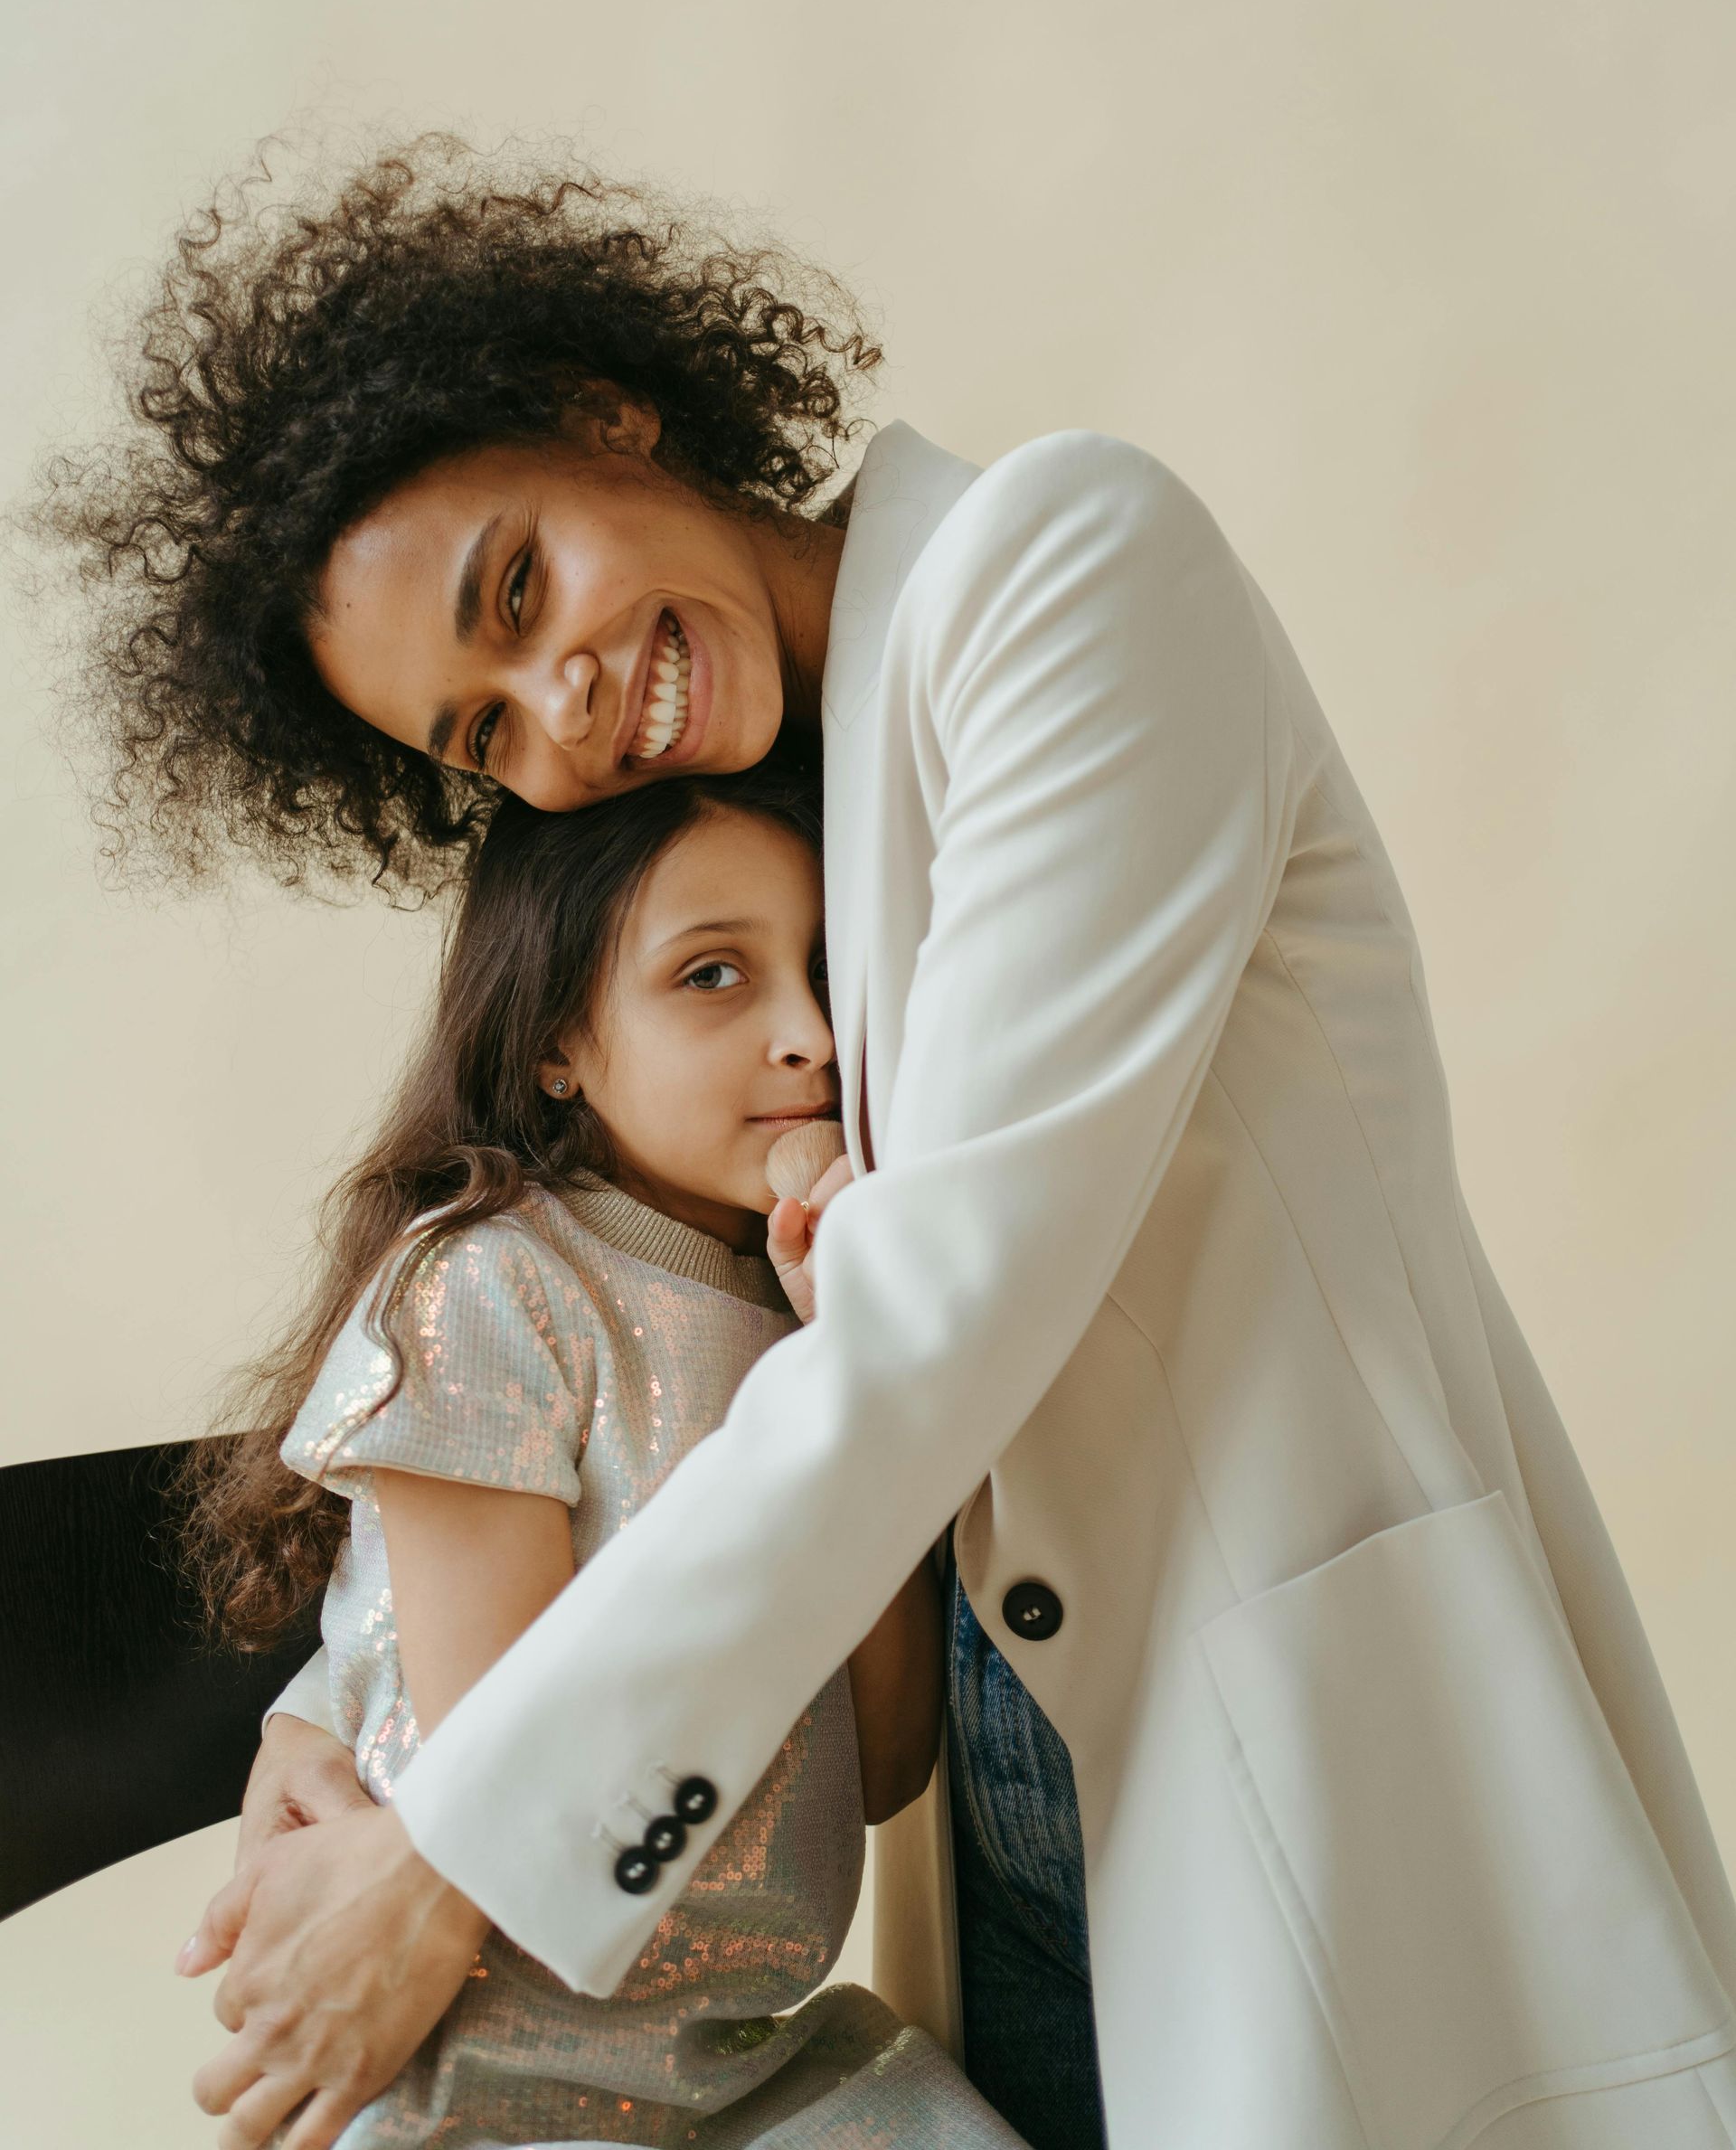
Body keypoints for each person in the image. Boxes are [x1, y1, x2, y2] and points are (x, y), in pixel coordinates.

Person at [51, 138, 1736, 2150]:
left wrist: (459, 1859)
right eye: (484, 732)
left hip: (1298, 1756)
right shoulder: (771, 840)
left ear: (609, 411)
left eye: (521, 591)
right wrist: (342, 1733)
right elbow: (618, 1321)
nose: (563, 706)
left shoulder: (1066, 574)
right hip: (1016, 1852)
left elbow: (942, 1310)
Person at [176, 754, 1020, 2147]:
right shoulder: (493, 1287)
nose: (810, 1032)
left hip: (752, 2064)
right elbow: (515, 1770)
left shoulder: (800, 1306)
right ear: (557, 1040)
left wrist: (857, 1377)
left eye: (822, 967)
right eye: (712, 976)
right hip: (491, 2082)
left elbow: (884, 1769)